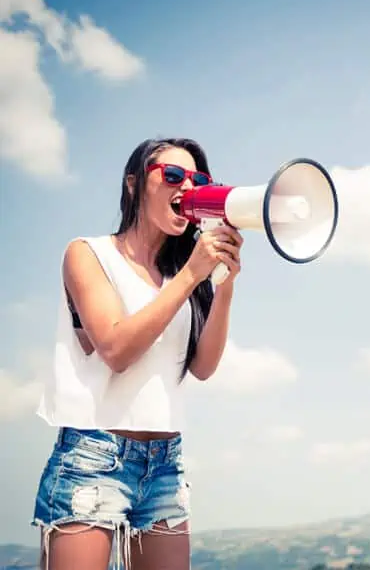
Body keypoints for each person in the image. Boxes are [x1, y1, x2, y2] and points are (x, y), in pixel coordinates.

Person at [31, 137, 244, 570]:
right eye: (170, 175)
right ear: (133, 185)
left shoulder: (183, 274)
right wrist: (192, 274)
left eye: (197, 178)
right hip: (93, 458)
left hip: (165, 464)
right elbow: (115, 349)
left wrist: (223, 286)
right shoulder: (88, 254)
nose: (186, 185)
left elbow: (202, 367)